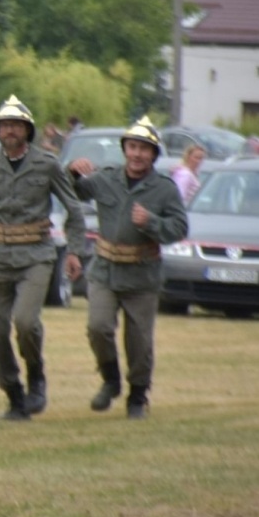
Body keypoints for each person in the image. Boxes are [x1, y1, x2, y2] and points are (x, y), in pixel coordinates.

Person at [0, 96, 87, 420]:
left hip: (36, 254)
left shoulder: (46, 164)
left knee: (25, 321)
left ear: (27, 130)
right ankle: (14, 395)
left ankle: (36, 373)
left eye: (16, 125)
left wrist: (75, 251)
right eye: (4, 125)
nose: (10, 130)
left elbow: (73, 209)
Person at [68, 117, 188, 419]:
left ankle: (137, 395)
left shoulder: (164, 189)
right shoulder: (107, 178)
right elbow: (75, 191)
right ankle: (110, 380)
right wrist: (72, 170)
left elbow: (179, 228)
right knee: (98, 327)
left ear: (153, 154)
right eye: (132, 147)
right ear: (125, 150)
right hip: (105, 271)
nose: (137, 154)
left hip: (142, 274)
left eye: (144, 149)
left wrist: (151, 222)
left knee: (139, 341)